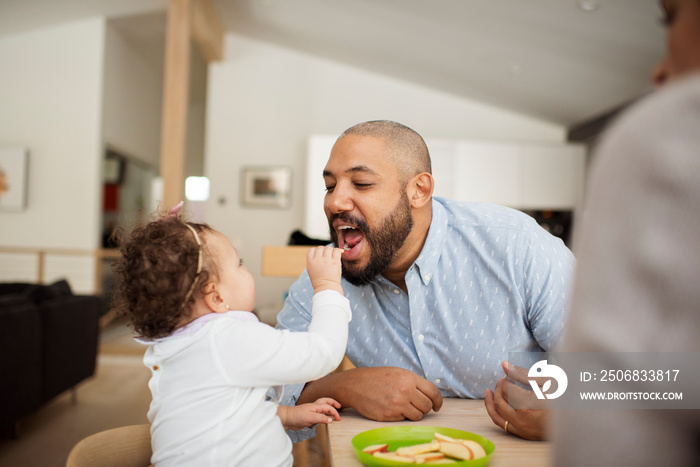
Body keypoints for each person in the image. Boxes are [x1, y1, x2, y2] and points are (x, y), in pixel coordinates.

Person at [275, 120, 575, 442]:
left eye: (361, 183)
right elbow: (265, 393)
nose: (334, 202)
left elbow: (623, 375)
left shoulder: (518, 247)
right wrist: (343, 385)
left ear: (419, 190)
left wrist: (564, 420)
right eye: (330, 186)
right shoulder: (324, 279)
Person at [552, 0, 700, 465]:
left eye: (669, 17)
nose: (656, 72)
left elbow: (615, 412)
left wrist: (564, 395)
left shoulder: (667, 136)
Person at [112, 210, 351, 466]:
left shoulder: (174, 347)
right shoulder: (227, 339)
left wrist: (286, 416)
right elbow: (322, 353)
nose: (245, 269)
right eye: (239, 263)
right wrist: (327, 285)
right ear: (216, 297)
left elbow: (220, 412)